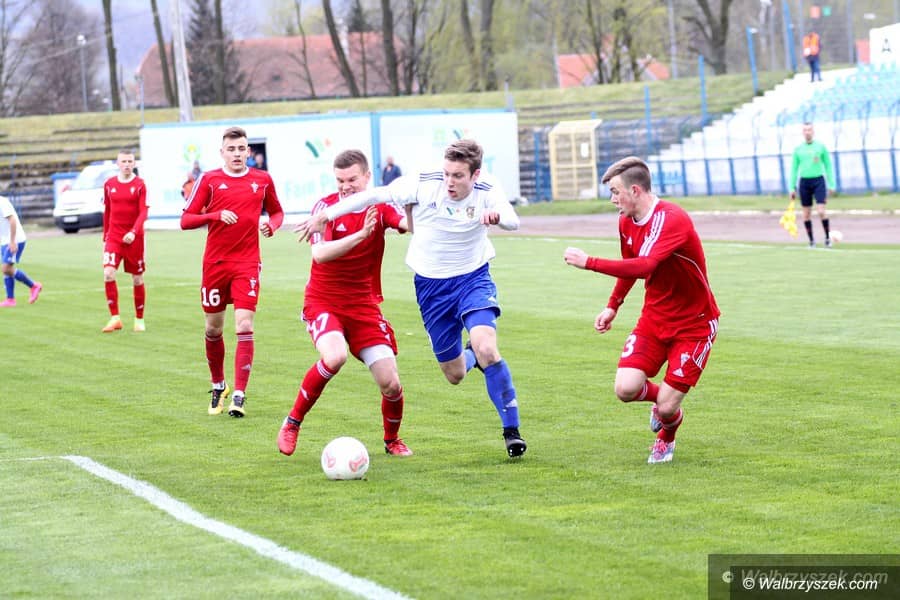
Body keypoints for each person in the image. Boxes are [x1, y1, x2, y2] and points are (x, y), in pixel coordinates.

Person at [297, 139, 527, 458]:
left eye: (458, 175)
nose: (449, 181)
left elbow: (513, 220)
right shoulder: (423, 182)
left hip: (473, 277)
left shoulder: (487, 187)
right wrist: (325, 216)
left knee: (488, 346)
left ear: (475, 175)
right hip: (432, 288)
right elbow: (374, 196)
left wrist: (496, 215)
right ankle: (471, 355)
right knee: (455, 374)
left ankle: (512, 432)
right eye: (447, 173)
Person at [562, 156, 720, 464]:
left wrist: (589, 262)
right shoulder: (625, 221)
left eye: (615, 192)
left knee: (667, 407)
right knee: (625, 389)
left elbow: (645, 265)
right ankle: (665, 405)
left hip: (695, 324)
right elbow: (630, 266)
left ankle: (667, 436)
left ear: (635, 190)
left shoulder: (671, 218)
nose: (612, 200)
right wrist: (612, 306)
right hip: (654, 319)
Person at [277, 149, 412, 458]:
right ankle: (292, 422)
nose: (346, 186)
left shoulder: (380, 205)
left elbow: (408, 224)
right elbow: (320, 254)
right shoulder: (326, 207)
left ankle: (392, 440)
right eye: (340, 180)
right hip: (323, 300)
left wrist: (413, 203)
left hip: (363, 305)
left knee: (390, 383)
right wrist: (361, 235)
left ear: (367, 177)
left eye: (352, 179)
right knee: (335, 356)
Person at [181, 126, 285, 418]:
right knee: (213, 329)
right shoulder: (210, 180)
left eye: (241, 149)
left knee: (244, 325)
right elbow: (186, 220)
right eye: (231, 149)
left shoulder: (262, 180)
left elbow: (277, 212)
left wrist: (272, 225)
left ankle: (239, 394)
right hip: (215, 264)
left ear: (248, 151)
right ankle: (219, 385)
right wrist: (215, 215)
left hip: (247, 263)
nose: (237, 154)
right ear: (222, 152)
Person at [101, 149, 149, 333]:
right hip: (114, 237)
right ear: (118, 164)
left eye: (130, 161)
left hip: (134, 239)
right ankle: (115, 318)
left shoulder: (140, 185)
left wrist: (134, 232)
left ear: (134, 163)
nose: (127, 164)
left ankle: (139, 318)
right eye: (124, 161)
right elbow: (107, 210)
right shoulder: (109, 184)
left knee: (137, 278)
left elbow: (143, 212)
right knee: (108, 273)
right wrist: (105, 236)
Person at [790, 122, 836, 248]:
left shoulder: (820, 147)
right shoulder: (798, 149)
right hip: (804, 183)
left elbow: (828, 165)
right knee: (806, 214)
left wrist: (832, 184)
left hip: (818, 181)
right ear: (802, 132)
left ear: (813, 131)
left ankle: (827, 239)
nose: (807, 132)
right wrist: (791, 187)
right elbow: (794, 169)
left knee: (821, 211)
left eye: (809, 130)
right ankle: (811, 241)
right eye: (805, 130)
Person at [0, 195, 42, 307]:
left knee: (6, 268)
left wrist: (12, 241)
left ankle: (33, 286)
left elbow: (12, 220)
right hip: (4, 241)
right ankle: (10, 300)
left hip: (15, 240)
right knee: (6, 269)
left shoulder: (2, 202)